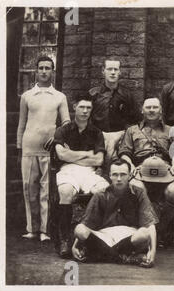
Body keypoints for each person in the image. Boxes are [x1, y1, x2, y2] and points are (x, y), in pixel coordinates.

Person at [17, 55, 71, 242]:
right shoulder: (27, 96)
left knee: (46, 190)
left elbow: (66, 123)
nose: (44, 71)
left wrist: (56, 139)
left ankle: (44, 231)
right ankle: (31, 228)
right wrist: (19, 147)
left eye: (48, 68)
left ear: (52, 71)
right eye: (41, 68)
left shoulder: (59, 97)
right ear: (36, 70)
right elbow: (21, 124)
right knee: (28, 188)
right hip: (29, 147)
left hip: (49, 150)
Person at [118, 97, 174, 247]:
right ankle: (145, 230)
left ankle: (161, 229)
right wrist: (131, 165)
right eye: (148, 107)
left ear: (161, 110)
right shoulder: (132, 130)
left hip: (165, 169)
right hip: (140, 169)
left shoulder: (171, 131)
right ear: (142, 110)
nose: (152, 110)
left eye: (155, 107)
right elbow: (124, 152)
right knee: (136, 187)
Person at [71, 159, 158, 268]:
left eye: (123, 175)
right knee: (79, 229)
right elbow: (86, 223)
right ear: (110, 176)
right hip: (104, 237)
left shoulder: (139, 193)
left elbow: (150, 224)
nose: (119, 179)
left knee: (144, 233)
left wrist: (153, 251)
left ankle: (100, 256)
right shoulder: (100, 195)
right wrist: (74, 246)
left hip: (129, 236)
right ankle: (125, 258)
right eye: (115, 175)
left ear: (130, 176)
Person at [53, 95, 110, 258]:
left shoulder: (96, 132)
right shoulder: (63, 130)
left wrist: (71, 153)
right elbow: (62, 155)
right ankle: (65, 239)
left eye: (88, 108)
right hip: (68, 170)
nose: (85, 111)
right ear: (74, 108)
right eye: (82, 107)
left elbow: (99, 159)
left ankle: (98, 239)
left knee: (104, 189)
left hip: (90, 172)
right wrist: (86, 154)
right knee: (65, 192)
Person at [89, 59, 141, 132]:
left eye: (115, 69)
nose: (113, 72)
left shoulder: (127, 95)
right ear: (103, 71)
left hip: (121, 139)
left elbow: (136, 120)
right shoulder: (93, 94)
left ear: (120, 72)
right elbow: (86, 119)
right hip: (97, 138)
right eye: (109, 69)